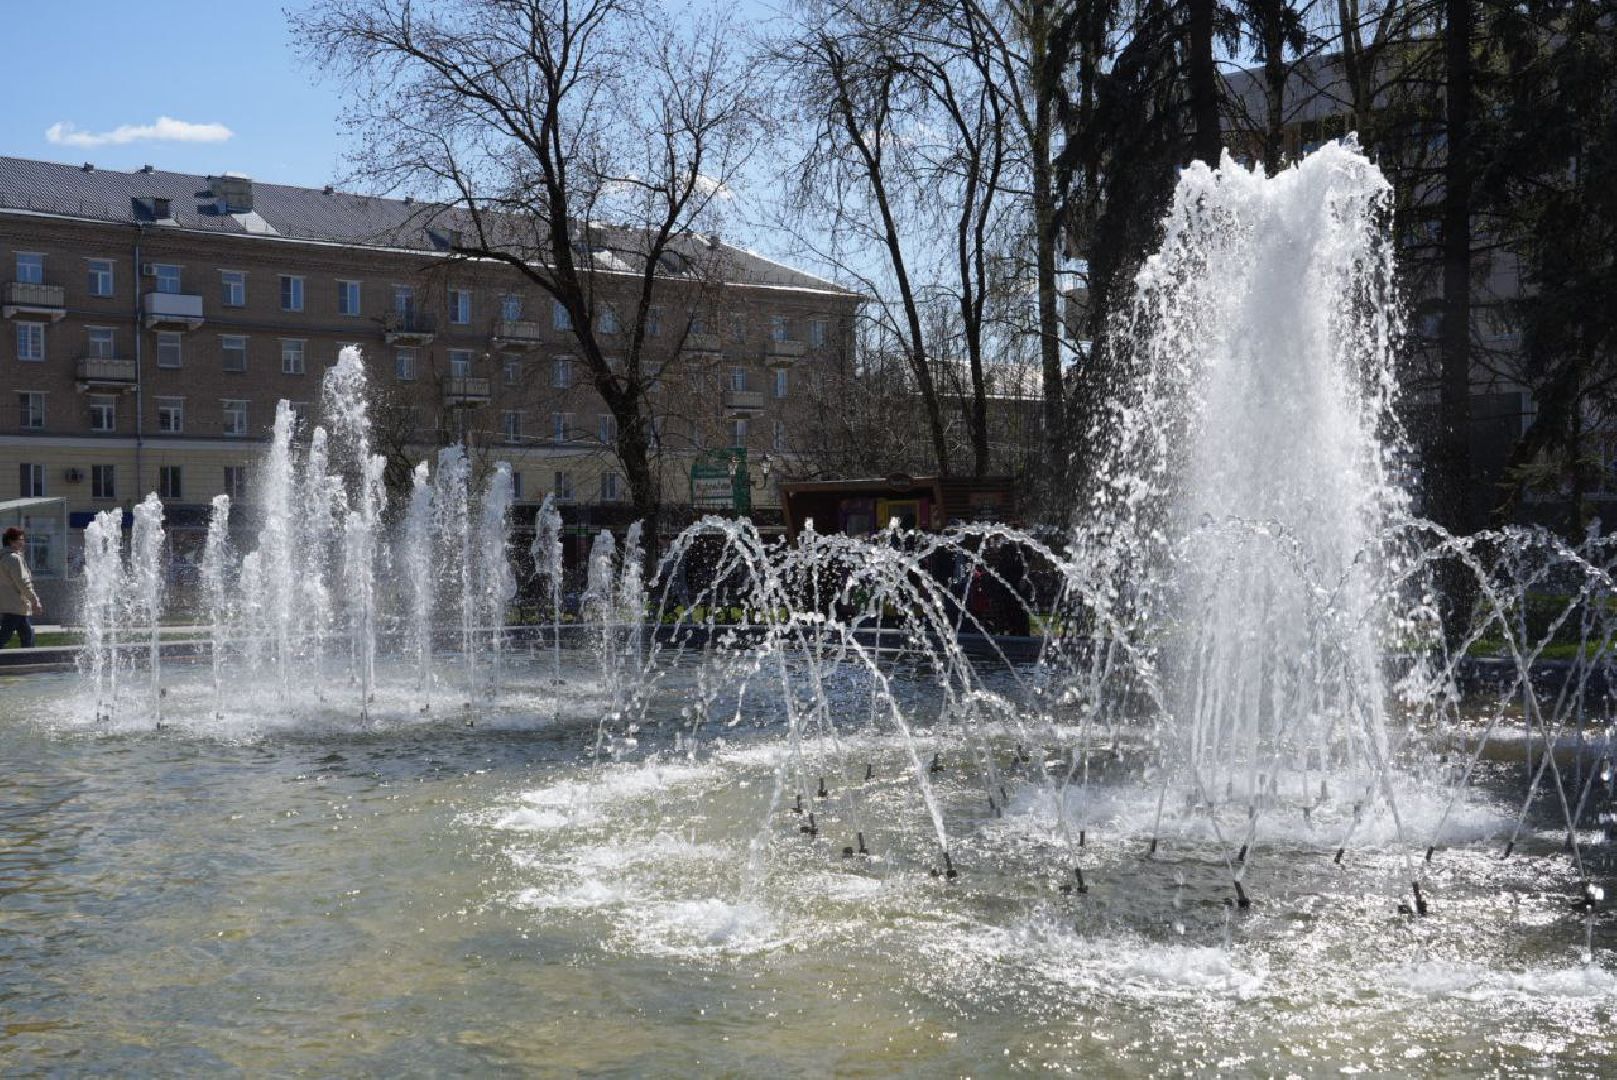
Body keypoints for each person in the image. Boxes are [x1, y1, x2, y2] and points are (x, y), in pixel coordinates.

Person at [0, 526, 43, 648]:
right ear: (11, 541)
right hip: (16, 605)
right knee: (6, 636)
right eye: (20, 539)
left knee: (27, 635)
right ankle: (29, 660)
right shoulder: (14, 559)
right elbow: (24, 583)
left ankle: (29, 661)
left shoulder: (3, 557)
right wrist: (35, 600)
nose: (23, 542)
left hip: (11, 605)